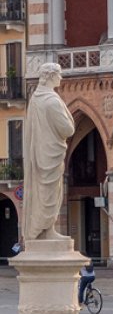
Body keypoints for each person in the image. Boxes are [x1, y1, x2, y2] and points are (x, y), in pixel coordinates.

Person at [23, 62, 75, 241]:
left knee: (43, 193)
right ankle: (45, 230)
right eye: (59, 75)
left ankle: (44, 231)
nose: (61, 78)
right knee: (50, 194)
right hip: (50, 155)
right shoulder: (51, 101)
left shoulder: (36, 99)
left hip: (40, 155)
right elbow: (67, 130)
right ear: (51, 76)